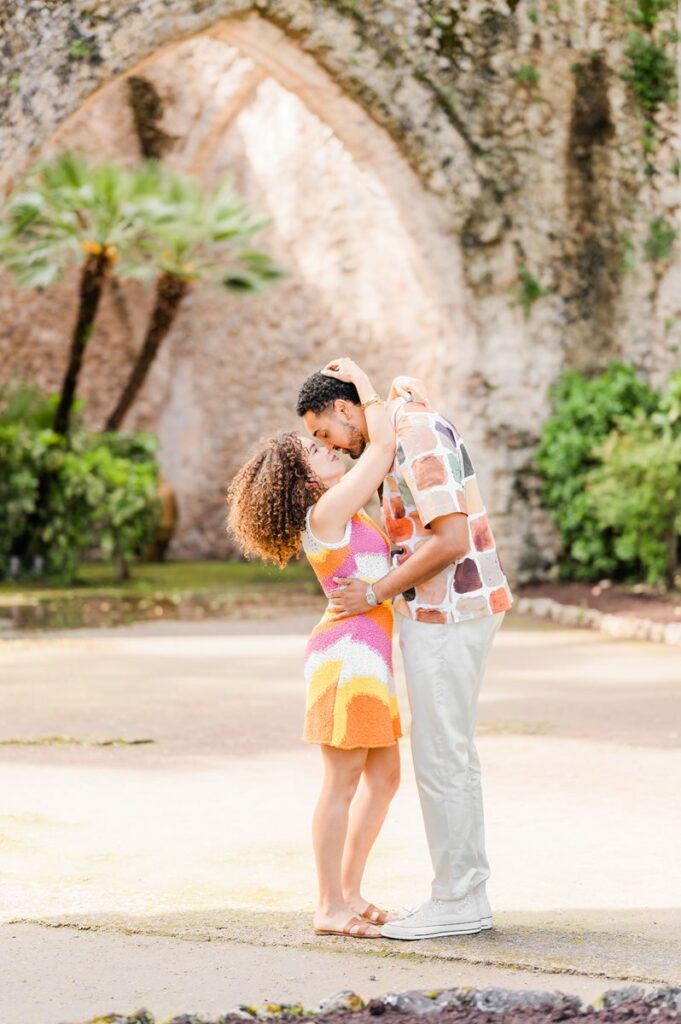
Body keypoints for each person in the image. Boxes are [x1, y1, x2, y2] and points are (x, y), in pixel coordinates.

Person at [296, 364, 513, 940]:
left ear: (344, 412)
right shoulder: (396, 434)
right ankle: (454, 893)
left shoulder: (412, 431)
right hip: (424, 616)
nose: (329, 447)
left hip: (449, 608)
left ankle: (459, 898)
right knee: (443, 756)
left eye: (323, 434)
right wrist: (384, 398)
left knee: (443, 759)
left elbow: (450, 537)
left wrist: (375, 592)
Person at [227, 358, 402, 939]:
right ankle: (328, 906)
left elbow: (376, 455)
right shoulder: (326, 512)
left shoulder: (346, 510)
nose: (331, 450)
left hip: (368, 655)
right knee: (343, 781)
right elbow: (379, 452)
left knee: (384, 777)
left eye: (326, 441)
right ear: (305, 481)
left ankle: (349, 893)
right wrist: (365, 384)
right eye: (319, 450)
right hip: (346, 657)